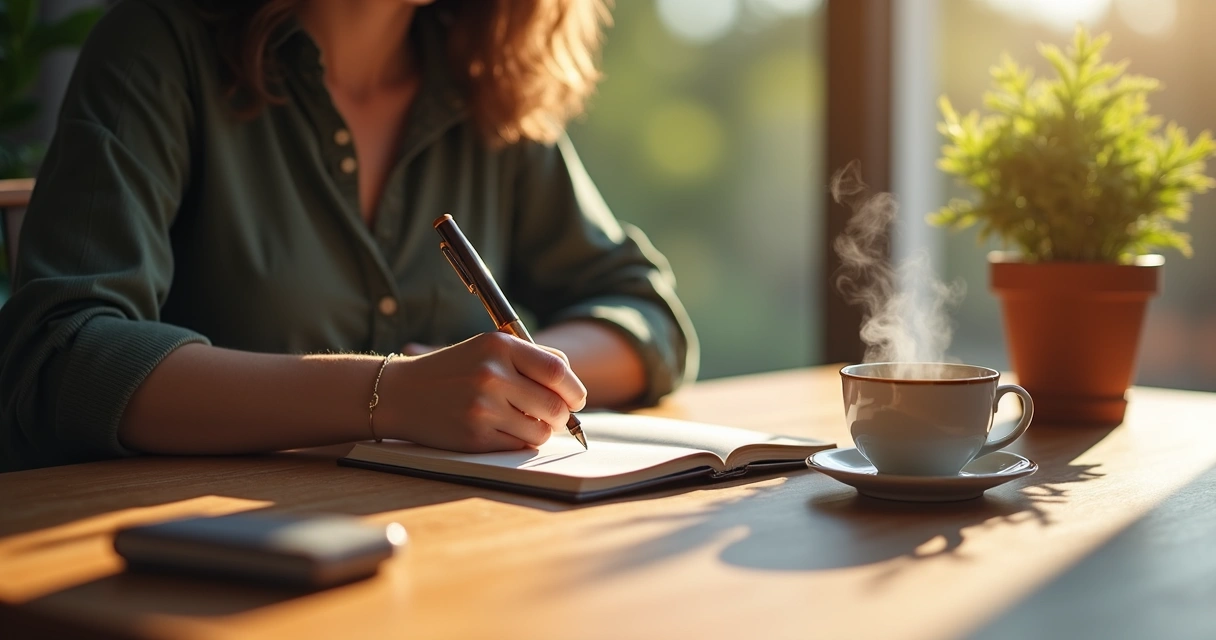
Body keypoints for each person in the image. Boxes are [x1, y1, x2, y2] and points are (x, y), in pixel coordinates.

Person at [0, 0, 698, 472]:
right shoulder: (160, 46)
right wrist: (392, 394)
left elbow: (647, 317)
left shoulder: (486, 82)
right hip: (200, 567)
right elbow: (61, 356)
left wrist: (508, 380)